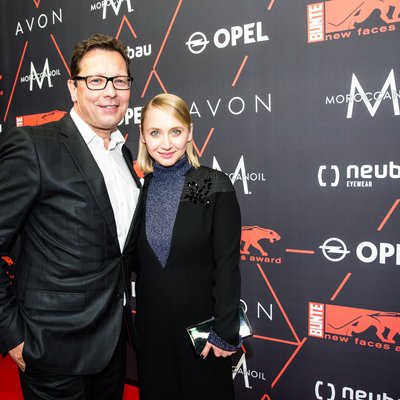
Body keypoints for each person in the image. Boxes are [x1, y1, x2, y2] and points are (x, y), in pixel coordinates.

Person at [0, 33, 141, 399]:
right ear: (73, 88)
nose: (110, 92)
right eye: (95, 80)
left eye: (120, 81)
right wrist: (13, 336)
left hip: (112, 350)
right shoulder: (33, 146)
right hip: (51, 353)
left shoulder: (124, 155)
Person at [134, 93, 242, 400]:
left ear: (190, 132)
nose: (166, 143)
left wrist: (224, 332)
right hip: (152, 335)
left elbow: (227, 265)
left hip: (204, 336)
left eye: (176, 131)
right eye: (155, 133)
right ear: (143, 136)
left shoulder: (216, 185)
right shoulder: (137, 189)